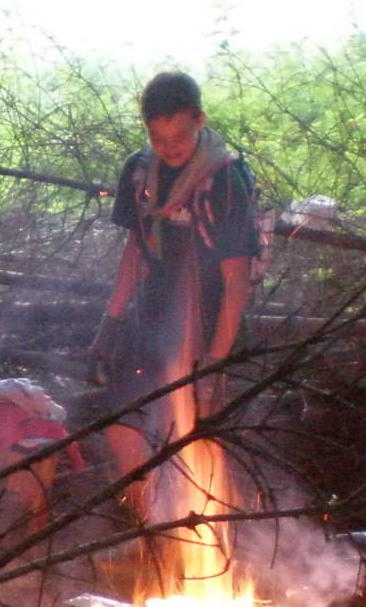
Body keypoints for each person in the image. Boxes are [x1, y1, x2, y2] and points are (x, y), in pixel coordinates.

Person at [90, 70, 260, 493]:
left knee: (198, 430)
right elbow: (134, 251)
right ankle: (147, 524)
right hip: (151, 309)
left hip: (207, 318)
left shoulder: (223, 180)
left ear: (200, 121)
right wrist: (108, 327)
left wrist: (214, 364)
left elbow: (236, 279)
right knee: (122, 421)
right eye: (158, 139)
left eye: (179, 138)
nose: (168, 149)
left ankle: (206, 530)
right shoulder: (139, 173)